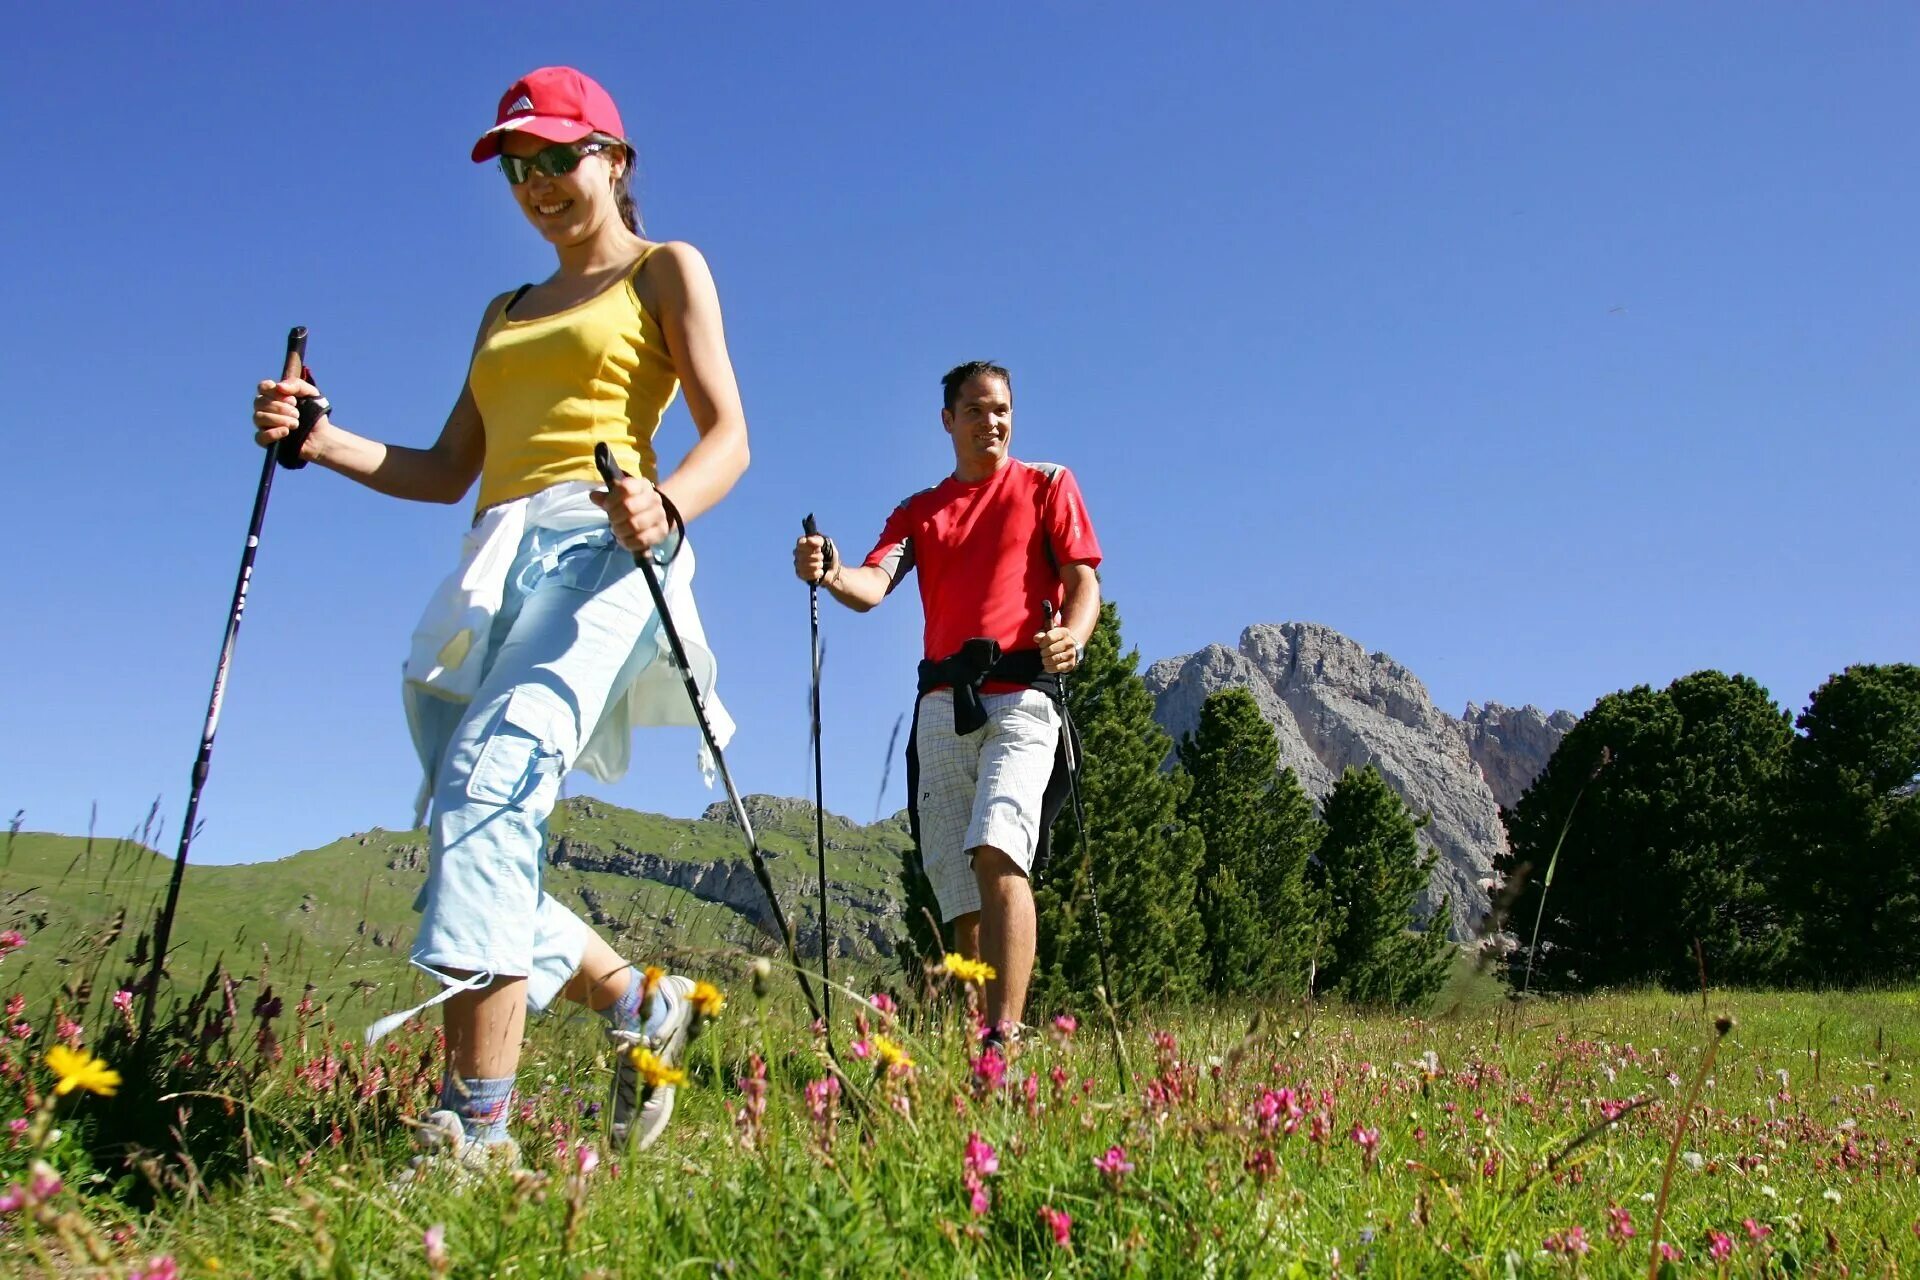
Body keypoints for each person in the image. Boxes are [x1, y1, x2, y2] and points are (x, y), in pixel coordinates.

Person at [252, 66, 749, 1170]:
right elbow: (446, 467)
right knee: (471, 834)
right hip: (494, 560)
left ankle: (472, 1134)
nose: (536, 184)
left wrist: (664, 500)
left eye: (557, 158)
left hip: (608, 549)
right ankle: (636, 1000)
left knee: (488, 787)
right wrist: (319, 439)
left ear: (613, 158)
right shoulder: (504, 311)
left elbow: (729, 437)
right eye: (517, 168)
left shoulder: (665, 268)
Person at [792, 362, 1101, 1044]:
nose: (992, 421)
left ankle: (1004, 1042)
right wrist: (830, 569)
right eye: (977, 410)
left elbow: (1083, 579)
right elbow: (873, 584)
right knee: (959, 891)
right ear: (948, 420)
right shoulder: (919, 512)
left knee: (999, 849)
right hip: (941, 704)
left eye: (1003, 409)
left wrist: (1071, 639)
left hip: (1023, 694)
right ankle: (974, 1045)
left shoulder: (1048, 484)